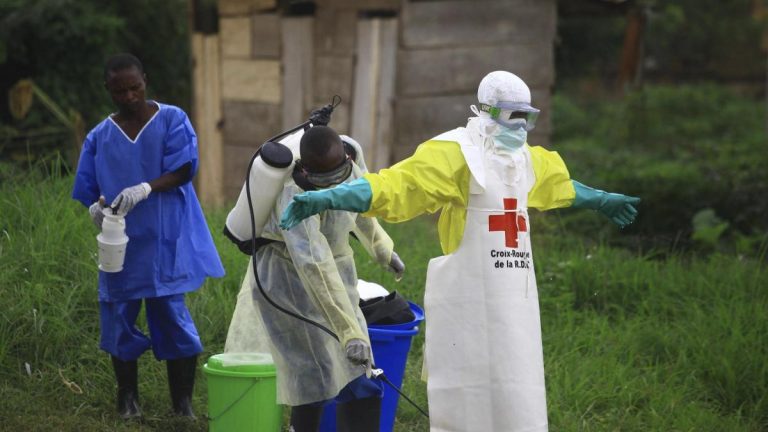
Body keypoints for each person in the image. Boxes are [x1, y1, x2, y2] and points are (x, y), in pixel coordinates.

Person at [280, 71, 640, 431]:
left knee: (519, 389)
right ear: (487, 111)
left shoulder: (525, 160)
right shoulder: (456, 154)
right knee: (469, 395)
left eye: (527, 117)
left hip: (516, 309)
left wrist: (601, 199)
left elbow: (559, 186)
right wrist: (330, 197)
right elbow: (396, 186)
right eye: (513, 116)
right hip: (468, 306)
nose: (520, 127)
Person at [71, 53, 225, 420]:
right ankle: (127, 400)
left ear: (145, 80)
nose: (129, 96)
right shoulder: (100, 136)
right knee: (118, 316)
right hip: (120, 242)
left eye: (135, 87)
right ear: (107, 90)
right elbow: (90, 186)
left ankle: (182, 404)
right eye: (120, 91)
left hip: (163, 237)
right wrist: (96, 207)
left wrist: (146, 188)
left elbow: (184, 169)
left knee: (171, 315)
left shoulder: (171, 119)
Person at [225, 125, 404, 432]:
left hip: (338, 273)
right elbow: (314, 265)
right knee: (314, 374)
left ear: (347, 157)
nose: (334, 186)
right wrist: (349, 332)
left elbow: (360, 202)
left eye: (339, 174)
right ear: (306, 172)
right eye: (324, 180)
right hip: (287, 282)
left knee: (360, 371)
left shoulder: (351, 155)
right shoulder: (294, 196)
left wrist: (382, 249)